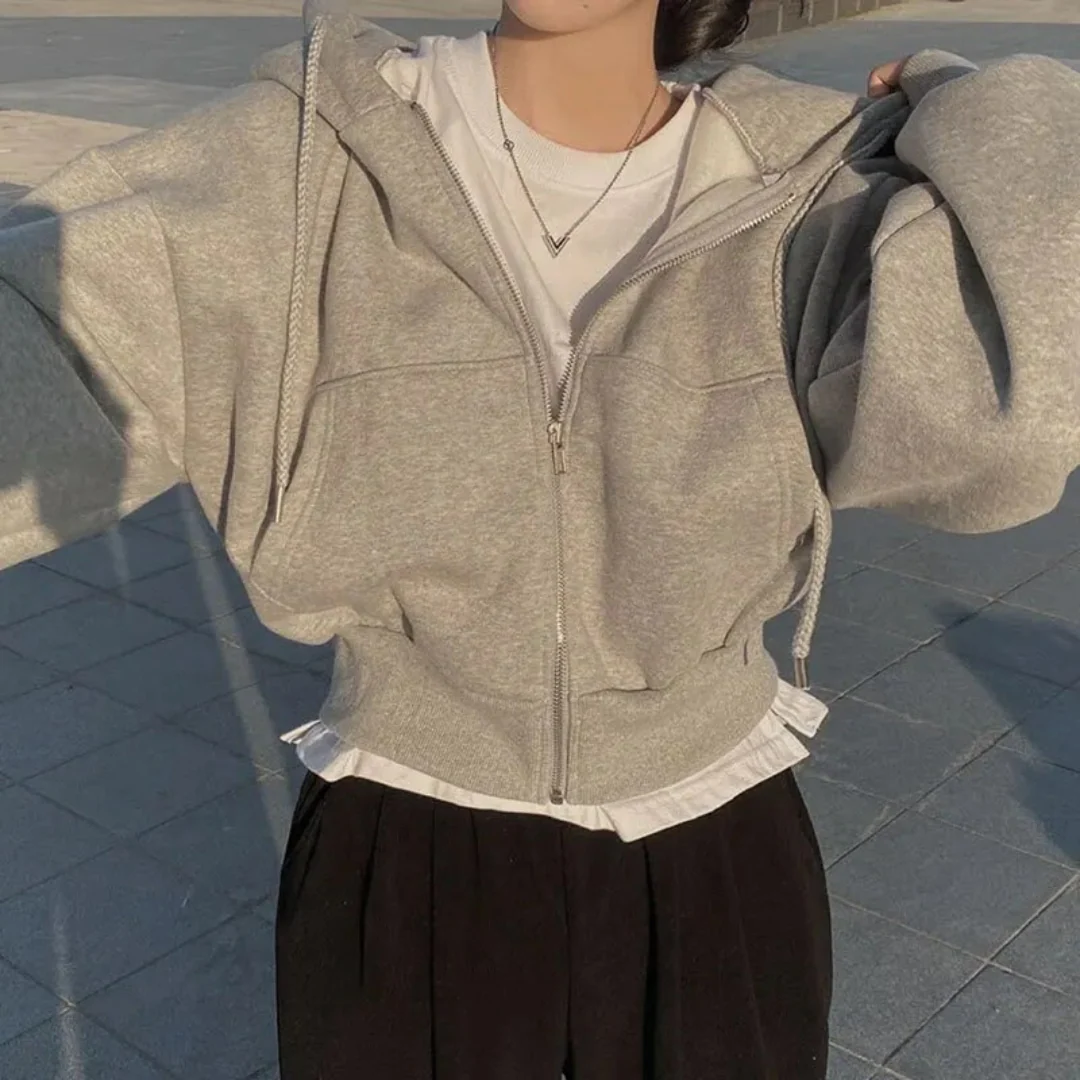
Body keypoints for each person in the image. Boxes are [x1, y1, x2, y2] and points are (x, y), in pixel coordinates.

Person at [0, 0, 1077, 1076]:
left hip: (715, 843)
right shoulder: (290, 167)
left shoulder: (804, 190)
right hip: (405, 836)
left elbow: (1014, 426)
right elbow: (44, 328)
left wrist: (973, 110)